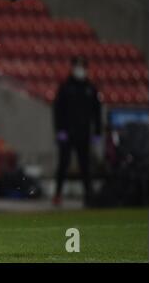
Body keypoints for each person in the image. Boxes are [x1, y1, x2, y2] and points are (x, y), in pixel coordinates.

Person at [52, 56, 102, 207]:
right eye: (77, 66)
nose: (80, 70)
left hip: (84, 133)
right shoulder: (65, 87)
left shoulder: (91, 88)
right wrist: (59, 130)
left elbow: (97, 112)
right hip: (67, 133)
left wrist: (97, 132)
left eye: (82, 66)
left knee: (85, 166)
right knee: (63, 164)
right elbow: (58, 110)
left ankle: (89, 195)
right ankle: (58, 194)